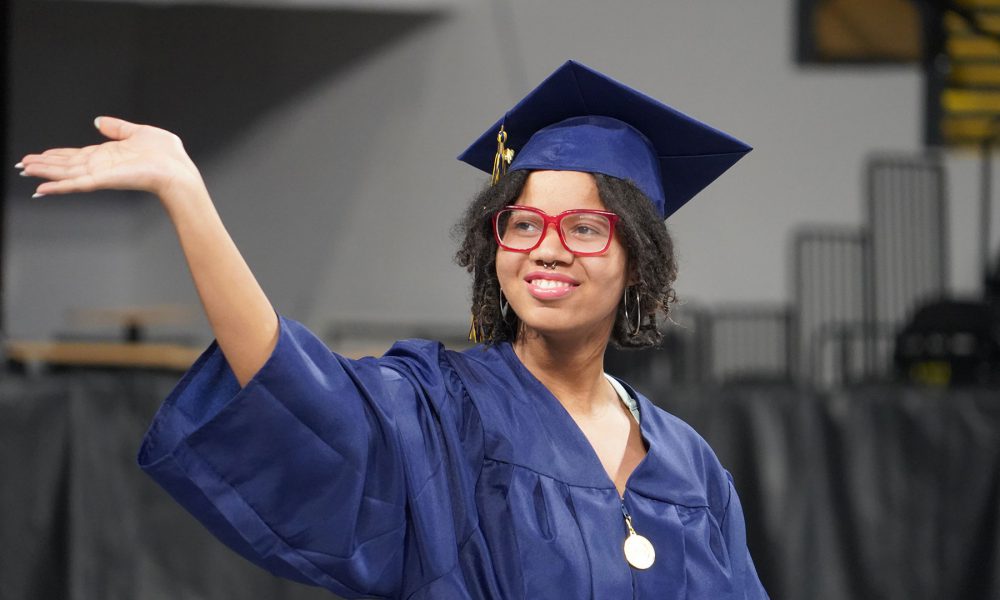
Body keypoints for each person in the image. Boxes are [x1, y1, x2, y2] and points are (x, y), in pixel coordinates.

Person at [17, 60, 768, 599]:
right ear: (492, 243)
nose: (546, 247)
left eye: (583, 227)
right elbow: (292, 384)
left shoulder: (690, 467)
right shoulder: (441, 411)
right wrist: (186, 194)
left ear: (639, 263)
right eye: (523, 223)